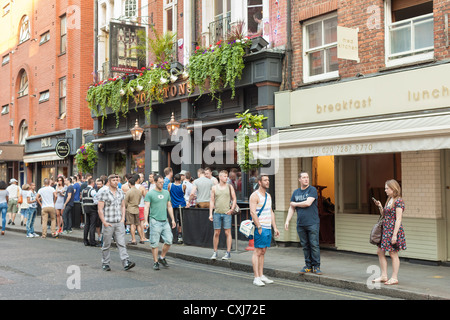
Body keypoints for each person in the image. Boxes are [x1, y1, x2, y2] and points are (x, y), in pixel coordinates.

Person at [97, 174, 135, 272]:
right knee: (106, 244)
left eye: (117, 180)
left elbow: (123, 206)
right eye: (113, 180)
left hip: (119, 222)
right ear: (109, 182)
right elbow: (100, 209)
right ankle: (105, 263)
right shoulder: (104, 192)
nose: (116, 182)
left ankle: (126, 262)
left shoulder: (120, 192)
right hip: (108, 222)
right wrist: (104, 222)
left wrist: (123, 219)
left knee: (121, 243)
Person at [285, 172, 321, 275]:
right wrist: (287, 220)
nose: (306, 179)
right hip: (300, 224)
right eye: (304, 177)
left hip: (312, 223)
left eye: (307, 177)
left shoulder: (312, 190)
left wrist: (295, 203)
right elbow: (291, 208)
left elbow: (308, 203)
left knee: (314, 245)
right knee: (305, 246)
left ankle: (317, 266)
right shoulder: (296, 192)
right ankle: (308, 266)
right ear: (299, 179)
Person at [372, 179, 406, 286]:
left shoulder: (398, 201)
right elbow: (385, 214)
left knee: (393, 253)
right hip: (385, 230)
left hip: (393, 231)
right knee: (380, 252)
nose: (385, 190)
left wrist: (395, 235)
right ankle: (384, 276)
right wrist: (380, 206)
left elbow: (398, 219)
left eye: (387, 188)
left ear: (393, 189)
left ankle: (394, 278)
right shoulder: (389, 199)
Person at [249, 174, 280, 286]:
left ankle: (261, 275)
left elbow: (270, 211)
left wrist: (275, 227)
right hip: (260, 227)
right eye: (265, 180)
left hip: (267, 227)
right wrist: (259, 226)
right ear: (259, 182)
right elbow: (253, 212)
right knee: (257, 252)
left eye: (268, 180)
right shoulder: (254, 195)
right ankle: (256, 277)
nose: (268, 182)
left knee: (263, 252)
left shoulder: (268, 196)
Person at [143, 175, 176, 271]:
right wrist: (146, 221)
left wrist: (173, 219)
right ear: (155, 182)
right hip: (154, 220)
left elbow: (169, 206)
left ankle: (162, 257)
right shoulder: (150, 193)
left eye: (163, 182)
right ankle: (155, 262)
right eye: (160, 182)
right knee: (154, 243)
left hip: (165, 221)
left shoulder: (166, 193)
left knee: (169, 240)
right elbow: (146, 207)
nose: (162, 184)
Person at [209, 170, 236, 260]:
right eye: (224, 176)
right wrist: (210, 214)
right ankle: (215, 252)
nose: (226, 178)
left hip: (226, 213)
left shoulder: (229, 187)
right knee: (216, 232)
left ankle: (228, 253)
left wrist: (232, 209)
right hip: (217, 213)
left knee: (227, 232)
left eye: (227, 176)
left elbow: (234, 198)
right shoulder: (214, 188)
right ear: (220, 177)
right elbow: (212, 201)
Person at [124, 177, 144, 245]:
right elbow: (139, 200)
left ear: (129, 183)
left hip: (130, 209)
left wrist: (126, 207)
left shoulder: (128, 191)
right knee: (138, 224)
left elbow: (125, 202)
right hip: (137, 208)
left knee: (132, 225)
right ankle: (141, 238)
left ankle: (133, 239)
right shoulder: (139, 191)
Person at [168, 173, 186, 244]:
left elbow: (168, 193)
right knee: (181, 221)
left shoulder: (170, 185)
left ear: (174, 179)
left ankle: (173, 236)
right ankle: (180, 236)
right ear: (180, 179)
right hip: (181, 205)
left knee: (173, 220)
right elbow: (183, 193)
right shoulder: (183, 186)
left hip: (173, 205)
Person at [81, 178, 99, 246]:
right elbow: (95, 200)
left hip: (85, 208)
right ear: (93, 183)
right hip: (92, 209)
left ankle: (85, 241)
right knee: (92, 225)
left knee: (87, 224)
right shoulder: (92, 190)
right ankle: (92, 241)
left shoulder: (83, 190)